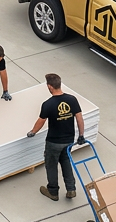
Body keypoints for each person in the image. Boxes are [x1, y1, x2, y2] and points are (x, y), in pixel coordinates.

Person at [25, 73, 86, 201]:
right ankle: (71, 189)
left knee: (51, 164)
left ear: (50, 87)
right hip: (69, 139)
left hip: (54, 141)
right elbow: (79, 118)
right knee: (65, 162)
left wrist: (32, 132)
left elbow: (41, 121)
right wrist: (81, 135)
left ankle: (53, 191)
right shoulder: (72, 99)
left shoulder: (48, 104)